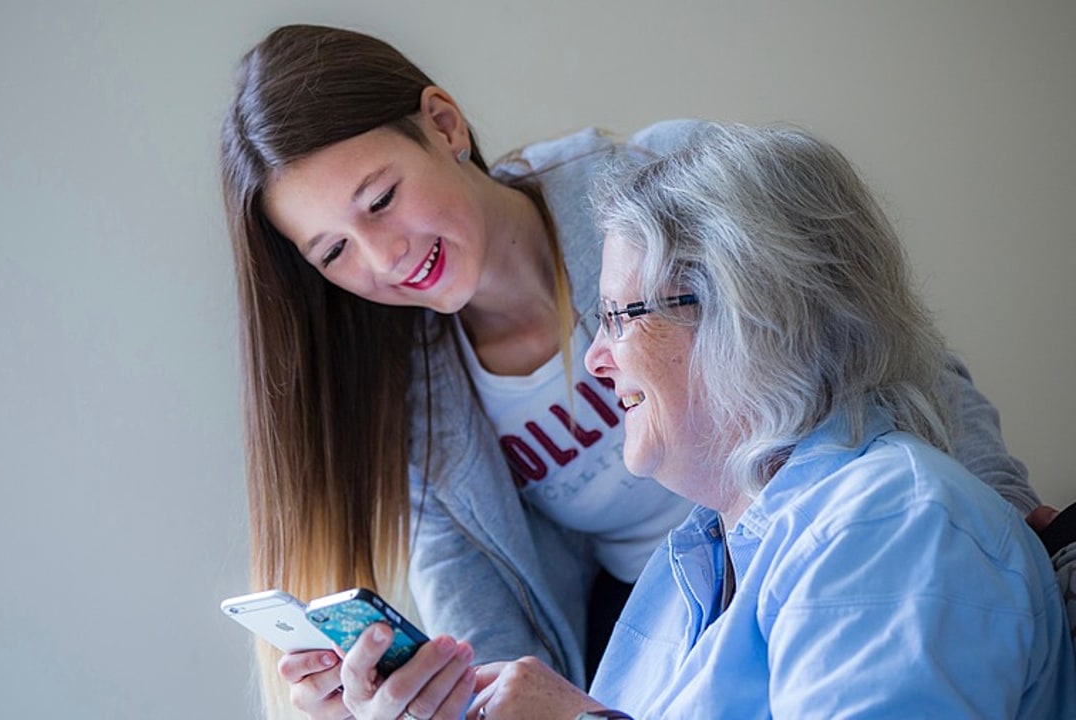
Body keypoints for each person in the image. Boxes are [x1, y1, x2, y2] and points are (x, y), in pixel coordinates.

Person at [220, 24, 1049, 719]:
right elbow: (488, 631)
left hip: (810, 546)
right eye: (333, 252)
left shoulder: (664, 193)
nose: (382, 257)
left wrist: (1013, 538)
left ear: (443, 125)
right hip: (666, 618)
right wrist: (452, 702)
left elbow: (882, 349)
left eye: (380, 200)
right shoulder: (420, 410)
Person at [457, 124, 1075, 718]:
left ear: (747, 315)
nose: (595, 360)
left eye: (620, 317)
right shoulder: (689, 567)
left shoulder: (887, 522)